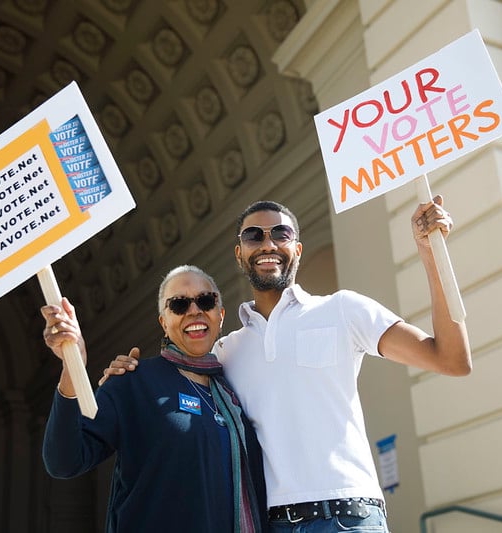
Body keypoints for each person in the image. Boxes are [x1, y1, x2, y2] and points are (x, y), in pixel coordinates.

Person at [101, 196, 471, 532]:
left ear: (296, 248)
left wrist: (431, 254)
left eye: (280, 233)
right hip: (276, 525)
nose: (267, 243)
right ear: (239, 253)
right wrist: (125, 373)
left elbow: (451, 359)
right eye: (254, 236)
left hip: (351, 518)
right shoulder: (226, 353)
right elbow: (171, 383)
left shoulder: (344, 310)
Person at [41, 265, 267, 533]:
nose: (194, 310)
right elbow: (64, 460)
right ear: (164, 322)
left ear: (220, 315)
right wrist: (72, 364)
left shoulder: (236, 390)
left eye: (206, 301)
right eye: (179, 304)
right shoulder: (133, 381)